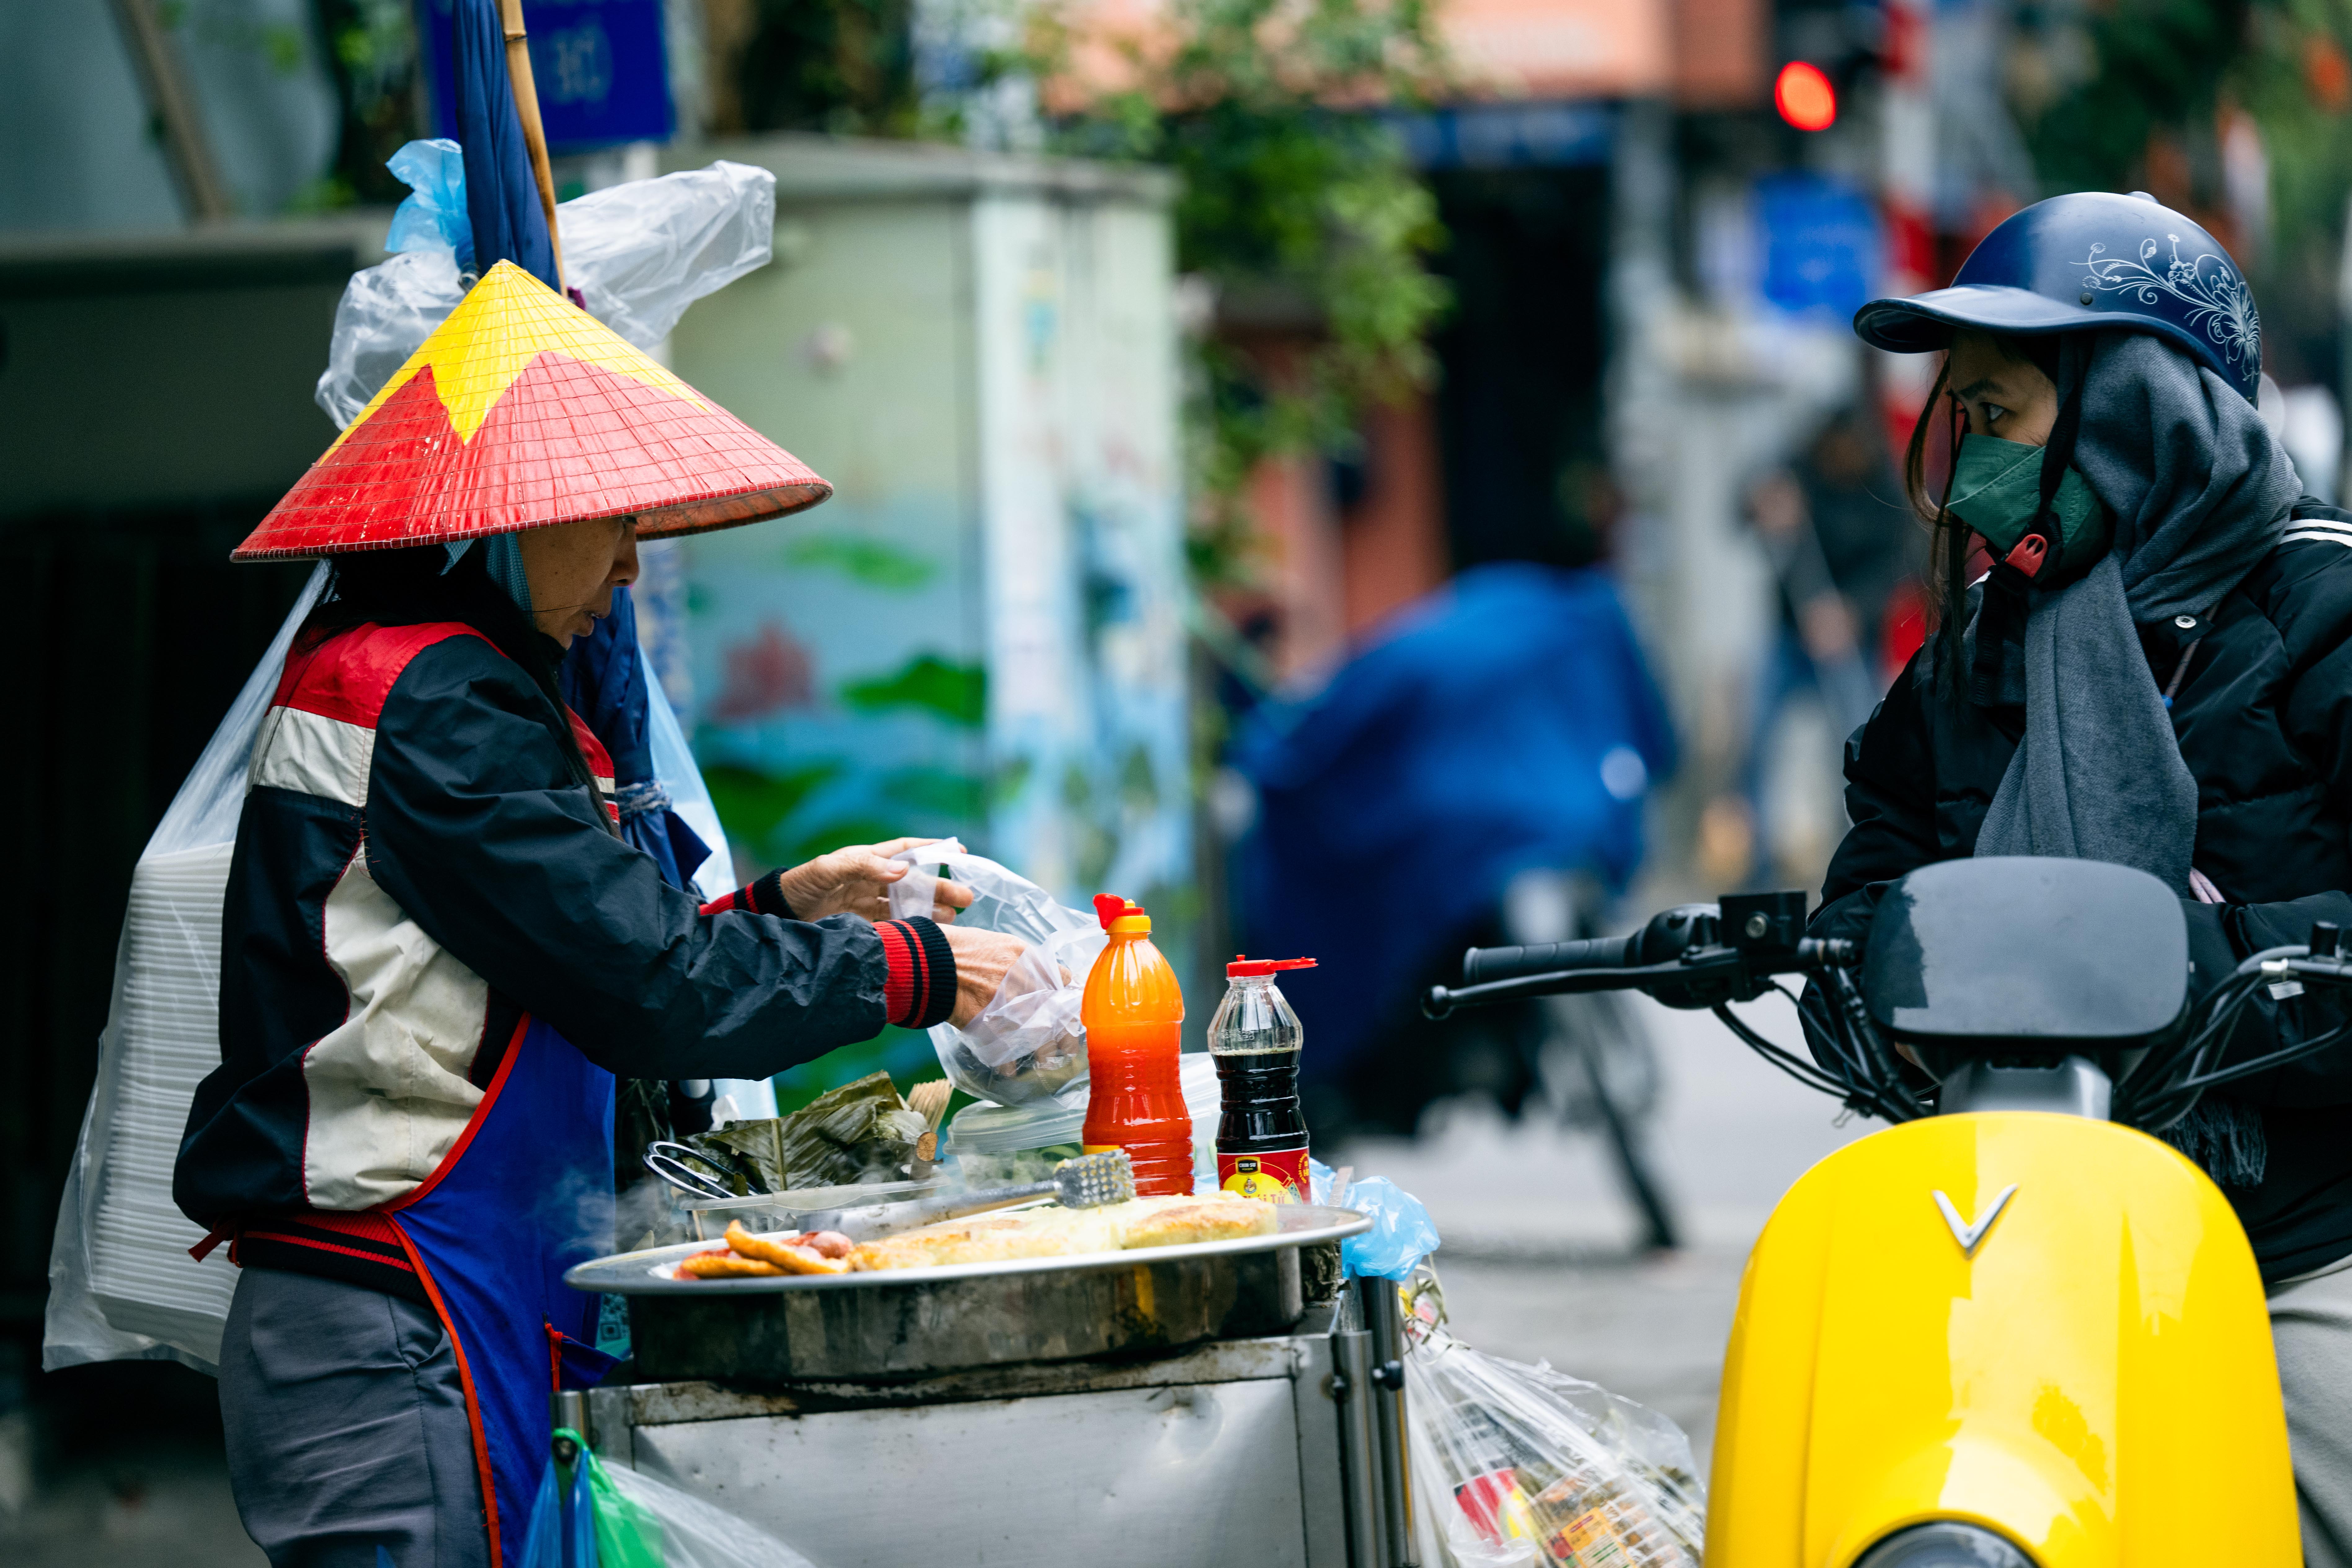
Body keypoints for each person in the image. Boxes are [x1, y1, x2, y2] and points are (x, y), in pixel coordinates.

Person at [173, 262, 1027, 1567]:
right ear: (506, 516)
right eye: (612, 518)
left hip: (443, 1304)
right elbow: (653, 987)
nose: (632, 563)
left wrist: (782, 903)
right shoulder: (438, 700)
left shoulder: (443, 679)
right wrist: (903, 968)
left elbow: (547, 954)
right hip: (392, 1329)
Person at [1811, 191, 2352, 1566]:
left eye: (2001, 414)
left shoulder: (2324, 611)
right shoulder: (1967, 660)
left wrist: (2210, 977)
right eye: (1964, 418)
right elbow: (1871, 883)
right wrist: (1865, 974)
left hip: (2298, 1245)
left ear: (2139, 413)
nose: (1969, 459)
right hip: (2006, 1234)